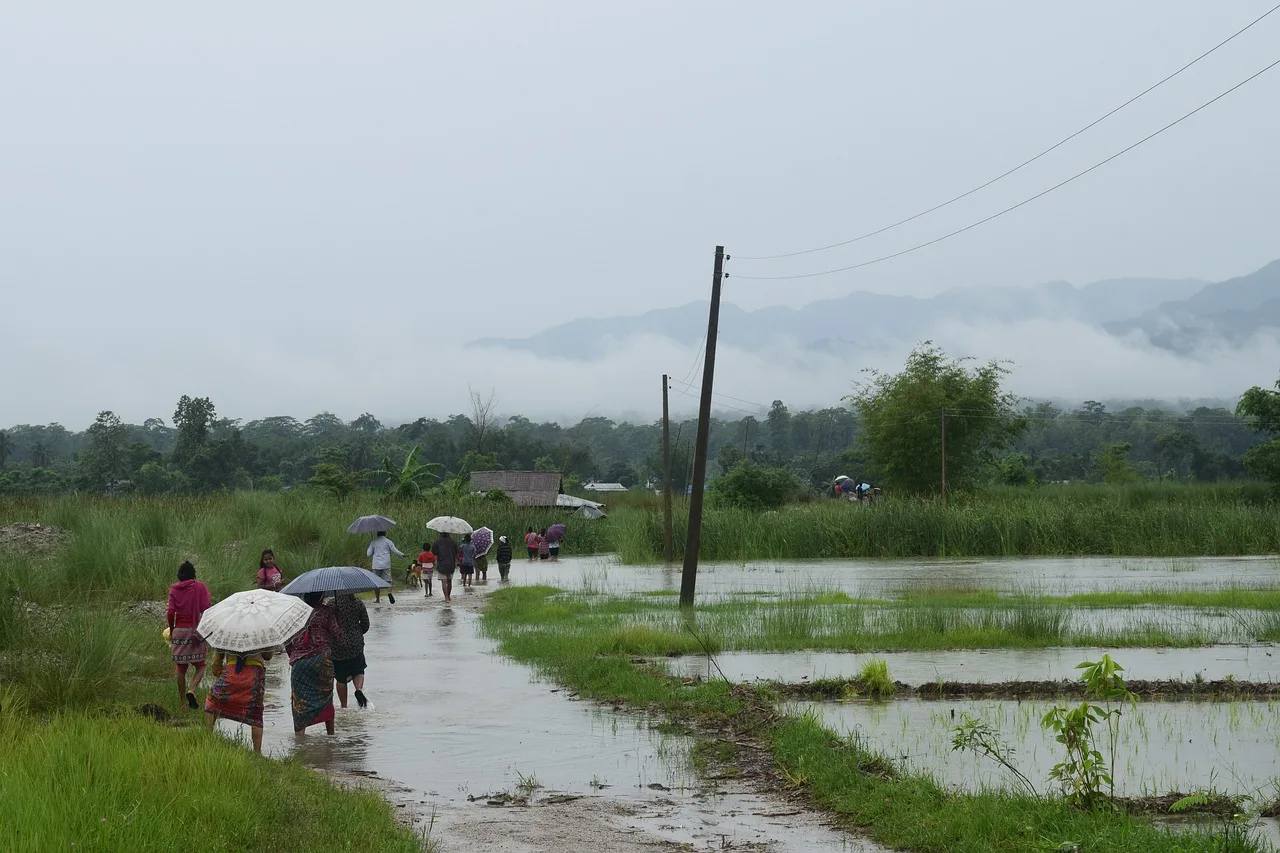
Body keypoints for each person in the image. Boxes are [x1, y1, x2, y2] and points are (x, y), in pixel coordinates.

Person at [286, 592, 343, 735]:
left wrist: (293, 656)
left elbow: (286, 641)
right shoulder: (326, 612)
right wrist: (338, 619)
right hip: (321, 660)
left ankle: (299, 738)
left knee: (300, 700)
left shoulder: (294, 614)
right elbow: (339, 637)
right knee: (326, 697)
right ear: (321, 597)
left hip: (299, 663)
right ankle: (331, 734)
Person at [205, 648, 274, 753]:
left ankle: (207, 736)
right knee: (256, 713)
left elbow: (217, 662)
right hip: (254, 675)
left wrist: (218, 670)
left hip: (231, 673)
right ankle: (257, 752)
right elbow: (268, 656)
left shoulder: (228, 634)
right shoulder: (260, 635)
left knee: (212, 702)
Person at [167, 560, 212, 710]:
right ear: (193, 574)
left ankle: (183, 703)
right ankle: (192, 689)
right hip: (194, 629)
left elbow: (171, 612)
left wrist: (173, 630)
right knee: (200, 665)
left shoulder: (173, 589)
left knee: (181, 667)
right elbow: (206, 608)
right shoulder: (200, 587)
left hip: (179, 630)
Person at [331, 593, 371, 709]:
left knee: (340, 677)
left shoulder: (332, 604)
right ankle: (358, 689)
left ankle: (344, 706)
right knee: (358, 670)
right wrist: (357, 634)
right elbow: (366, 624)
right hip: (355, 644)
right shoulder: (358, 603)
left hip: (337, 645)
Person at [367, 530, 403, 603]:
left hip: (376, 564)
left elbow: (368, 554)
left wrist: (372, 548)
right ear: (385, 533)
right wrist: (402, 555)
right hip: (386, 564)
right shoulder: (388, 541)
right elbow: (394, 550)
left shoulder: (373, 542)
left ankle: (377, 599)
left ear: (377, 533)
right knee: (388, 581)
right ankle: (389, 593)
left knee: (376, 582)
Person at [433, 532, 457, 603]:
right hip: (451, 564)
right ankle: (449, 596)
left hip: (442, 563)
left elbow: (434, 552)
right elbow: (456, 552)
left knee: (444, 581)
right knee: (449, 581)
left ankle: (446, 598)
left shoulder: (437, 541)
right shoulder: (453, 542)